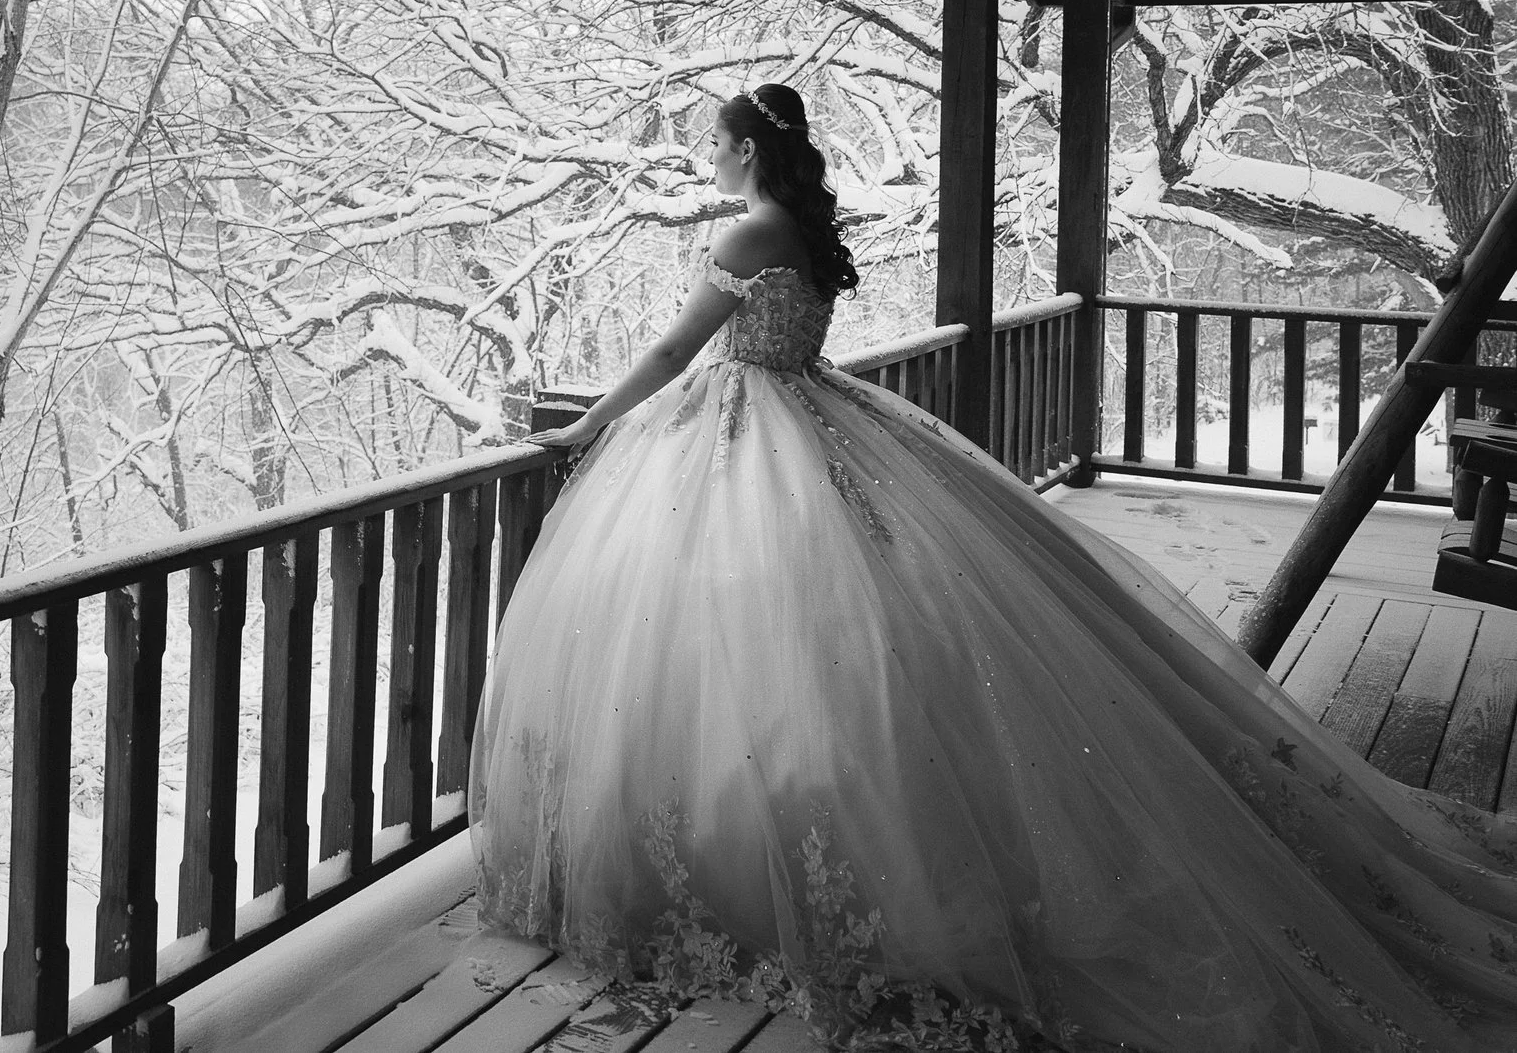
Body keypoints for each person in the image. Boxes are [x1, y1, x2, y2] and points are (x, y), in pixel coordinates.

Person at [467, 83, 1517, 1051]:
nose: (709, 158)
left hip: (746, 434)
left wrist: (592, 423)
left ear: (745, 150)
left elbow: (670, 353)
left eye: (714, 144)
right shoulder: (801, 229)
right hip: (815, 421)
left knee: (740, 638)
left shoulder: (747, 230)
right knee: (830, 640)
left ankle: (750, 846)